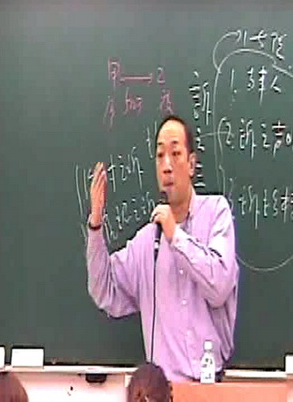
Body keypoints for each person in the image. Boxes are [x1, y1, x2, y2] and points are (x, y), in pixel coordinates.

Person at [87, 115, 239, 381]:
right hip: (162, 390)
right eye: (160, 156)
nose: (167, 166)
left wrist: (175, 236)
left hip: (210, 386)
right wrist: (96, 224)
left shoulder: (216, 213)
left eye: (175, 154)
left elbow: (220, 287)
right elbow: (104, 291)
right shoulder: (147, 241)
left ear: (191, 164)